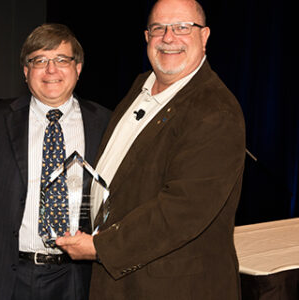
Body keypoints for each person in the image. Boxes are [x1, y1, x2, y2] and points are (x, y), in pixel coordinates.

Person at [56, 0, 246, 299]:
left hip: (173, 287)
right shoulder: (141, 85)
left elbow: (182, 209)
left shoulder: (215, 109)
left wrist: (100, 247)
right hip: (122, 280)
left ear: (205, 36)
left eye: (183, 27)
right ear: (147, 37)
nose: (169, 38)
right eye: (159, 28)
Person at [0, 24, 110, 300]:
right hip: (7, 279)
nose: (51, 70)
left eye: (62, 60)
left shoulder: (106, 124)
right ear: (26, 72)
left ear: (78, 67)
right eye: (39, 61)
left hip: (78, 279)